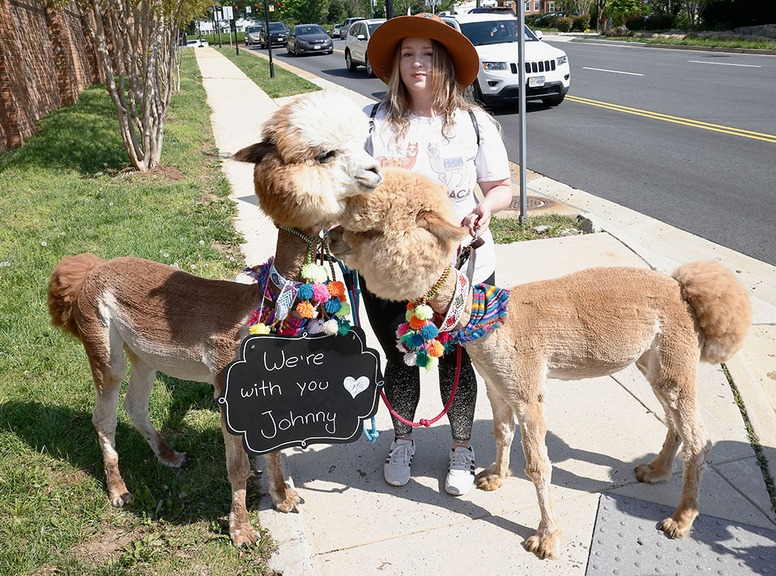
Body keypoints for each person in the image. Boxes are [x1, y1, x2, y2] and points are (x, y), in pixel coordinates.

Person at [361, 14, 513, 496]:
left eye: (427, 54)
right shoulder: (373, 121)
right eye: (407, 54)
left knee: (459, 361)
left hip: (465, 270)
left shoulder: (474, 123)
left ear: (443, 61)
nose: (416, 63)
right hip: (392, 274)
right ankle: (402, 438)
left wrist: (486, 208)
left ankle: (462, 448)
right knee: (399, 358)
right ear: (396, 63)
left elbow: (501, 187)